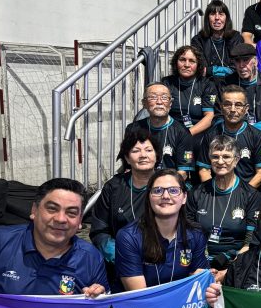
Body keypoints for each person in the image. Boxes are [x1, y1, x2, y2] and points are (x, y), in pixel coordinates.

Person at [0, 178, 108, 296]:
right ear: (34, 211)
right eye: (52, 209)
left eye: (71, 213)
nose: (61, 219)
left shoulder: (91, 258)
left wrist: (97, 297)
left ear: (80, 220)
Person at [114, 170, 209, 290]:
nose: (165, 196)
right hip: (143, 306)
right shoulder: (129, 237)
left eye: (173, 190)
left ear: (184, 197)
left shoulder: (196, 234)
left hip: (183, 305)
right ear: (149, 197)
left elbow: (197, 286)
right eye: (158, 191)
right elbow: (139, 295)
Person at [89, 129, 160, 269]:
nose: (143, 155)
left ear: (156, 155)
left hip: (163, 260)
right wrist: (123, 256)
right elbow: (99, 230)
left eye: (148, 150)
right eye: (135, 151)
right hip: (123, 262)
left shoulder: (170, 185)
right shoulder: (114, 187)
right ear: (127, 158)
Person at [187, 138, 260, 269]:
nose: (220, 162)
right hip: (200, 262)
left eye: (226, 156)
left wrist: (230, 266)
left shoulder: (250, 194)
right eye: (215, 157)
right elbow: (188, 235)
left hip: (235, 263)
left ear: (236, 160)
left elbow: (249, 243)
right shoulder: (196, 192)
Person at [196, 85, 261, 187]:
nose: (233, 109)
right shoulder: (211, 134)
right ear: (221, 107)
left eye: (238, 105)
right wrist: (214, 193)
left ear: (246, 108)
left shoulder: (257, 135)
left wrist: (243, 194)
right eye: (227, 104)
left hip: (248, 193)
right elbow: (204, 170)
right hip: (218, 192)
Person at [125, 83, 194, 178]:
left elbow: (183, 173)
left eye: (164, 98)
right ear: (144, 103)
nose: (159, 102)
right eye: (153, 97)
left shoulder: (182, 132)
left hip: (168, 185)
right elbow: (128, 166)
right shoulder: (132, 129)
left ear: (170, 103)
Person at [218, 43, 261, 135]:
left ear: (255, 61)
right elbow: (217, 116)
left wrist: (247, 131)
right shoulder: (226, 83)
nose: (241, 65)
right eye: (237, 61)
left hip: (258, 132)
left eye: (246, 60)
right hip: (230, 131)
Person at [161, 45, 218, 137]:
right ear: (176, 62)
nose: (187, 65)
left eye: (192, 61)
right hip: (170, 131)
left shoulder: (207, 85)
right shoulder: (167, 82)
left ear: (198, 65)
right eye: (182, 60)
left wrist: (187, 134)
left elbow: (209, 117)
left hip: (197, 133)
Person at [190, 0, 242, 79]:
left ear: (226, 18)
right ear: (208, 18)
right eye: (213, 14)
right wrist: (226, 70)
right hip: (207, 84)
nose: (217, 18)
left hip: (232, 83)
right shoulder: (198, 40)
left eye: (221, 14)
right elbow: (200, 69)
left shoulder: (235, 37)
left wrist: (210, 70)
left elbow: (236, 67)